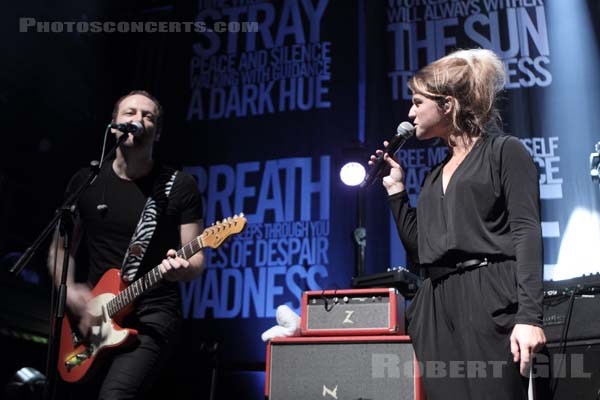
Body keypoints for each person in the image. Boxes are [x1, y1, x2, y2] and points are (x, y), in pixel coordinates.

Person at [371, 49, 546, 398]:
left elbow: (526, 233)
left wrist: (530, 316)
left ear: (447, 104)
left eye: (418, 102)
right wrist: (396, 192)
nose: (410, 112)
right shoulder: (435, 175)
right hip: (437, 305)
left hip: (488, 297)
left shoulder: (504, 152)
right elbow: (422, 249)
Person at [48, 90, 205, 399]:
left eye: (148, 117)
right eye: (130, 113)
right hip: (94, 312)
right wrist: (73, 293)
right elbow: (58, 250)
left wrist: (180, 269)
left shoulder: (179, 186)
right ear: (114, 125)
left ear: (157, 133)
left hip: (153, 312)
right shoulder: (87, 181)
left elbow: (196, 261)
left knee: (116, 395)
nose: (138, 120)